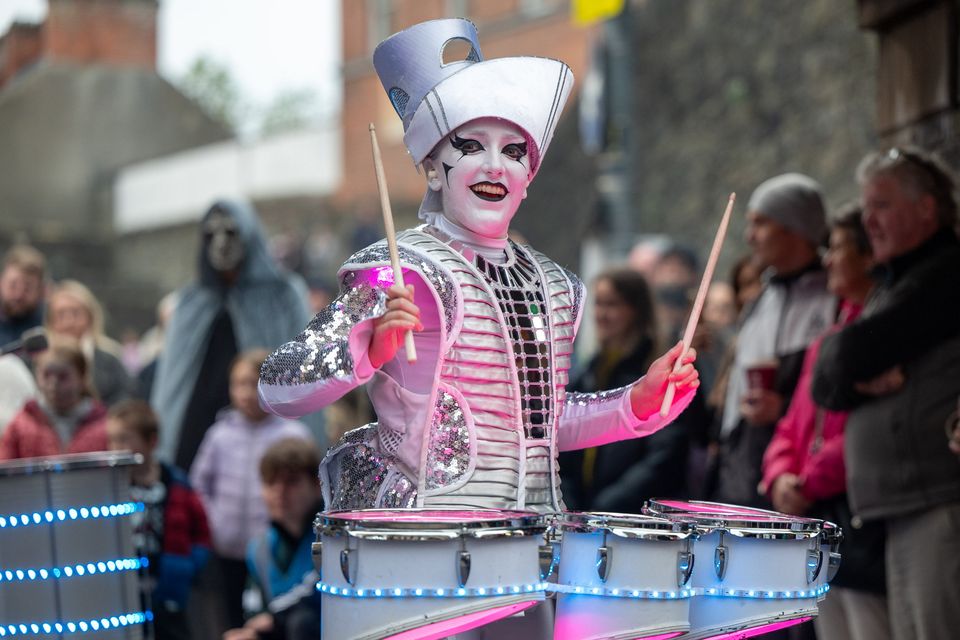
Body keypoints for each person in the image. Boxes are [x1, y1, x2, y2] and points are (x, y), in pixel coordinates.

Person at [258, 18, 700, 519]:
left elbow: (541, 427)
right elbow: (277, 384)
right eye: (471, 146)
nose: (495, 166)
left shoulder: (556, 287)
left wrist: (637, 401)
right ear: (430, 166)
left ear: (527, 178)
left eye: (513, 152)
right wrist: (365, 345)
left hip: (530, 545)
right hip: (416, 553)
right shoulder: (392, 269)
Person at [812, 147, 960, 640]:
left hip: (935, 497)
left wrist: (847, 372)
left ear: (926, 209)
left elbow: (847, 357)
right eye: (866, 206)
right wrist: (848, 375)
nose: (868, 221)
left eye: (882, 206)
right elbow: (825, 379)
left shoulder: (943, 273)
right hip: (899, 503)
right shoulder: (893, 283)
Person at [760, 206, 890, 640]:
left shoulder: (879, 334)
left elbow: (864, 430)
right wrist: (779, 474)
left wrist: (805, 481)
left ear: (870, 256)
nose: (828, 259)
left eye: (838, 248)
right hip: (816, 515)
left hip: (851, 511)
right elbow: (791, 425)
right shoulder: (829, 340)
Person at [151, 200, 314, 471]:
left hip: (266, 431)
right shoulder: (191, 300)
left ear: (249, 234)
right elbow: (171, 385)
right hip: (196, 432)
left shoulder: (283, 295)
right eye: (211, 234)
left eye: (231, 232)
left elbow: (304, 375)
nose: (221, 243)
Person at [711, 173, 837, 508]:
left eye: (761, 223)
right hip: (744, 470)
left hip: (800, 478)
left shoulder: (833, 296)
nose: (750, 236)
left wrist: (783, 410)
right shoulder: (761, 300)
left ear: (795, 228)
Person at [189, 349, 312, 631]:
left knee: (277, 615)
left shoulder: (291, 433)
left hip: (272, 548)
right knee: (234, 616)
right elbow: (199, 484)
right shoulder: (219, 434)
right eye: (238, 384)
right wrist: (215, 523)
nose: (245, 392)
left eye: (252, 382)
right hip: (227, 549)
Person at [559, 268, 690, 511]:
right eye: (598, 304)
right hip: (586, 514)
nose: (601, 314)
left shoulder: (659, 371)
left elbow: (665, 456)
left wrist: (608, 504)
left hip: (636, 518)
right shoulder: (590, 371)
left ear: (636, 310)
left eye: (612, 304)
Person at [105, 400, 211, 640]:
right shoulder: (107, 488)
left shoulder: (176, 484)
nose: (115, 447)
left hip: (167, 590)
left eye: (124, 439)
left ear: (151, 441)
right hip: (123, 592)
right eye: (111, 439)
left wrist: (186, 566)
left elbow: (201, 532)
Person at [224, 438, 323, 640]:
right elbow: (255, 612)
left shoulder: (334, 539)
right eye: (271, 482)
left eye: (291, 481)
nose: (280, 492)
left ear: (317, 485)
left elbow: (318, 596)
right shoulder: (259, 548)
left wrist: (276, 619)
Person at [0, 339, 108, 459]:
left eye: (63, 377)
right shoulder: (20, 425)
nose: (53, 385)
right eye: (46, 375)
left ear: (82, 377)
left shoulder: (105, 427)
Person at [46, 280, 134, 406]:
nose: (69, 323)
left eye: (76, 313)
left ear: (90, 318)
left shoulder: (111, 360)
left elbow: (125, 402)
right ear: (51, 323)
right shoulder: (37, 360)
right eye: (61, 315)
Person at [0, 244, 46, 348]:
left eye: (27, 289)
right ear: (1, 283)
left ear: (41, 290)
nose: (18, 295)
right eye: (13, 285)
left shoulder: (48, 327)